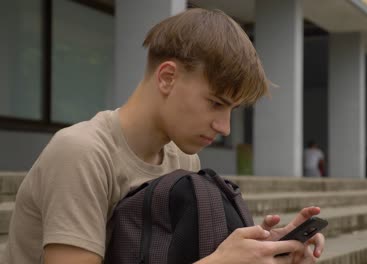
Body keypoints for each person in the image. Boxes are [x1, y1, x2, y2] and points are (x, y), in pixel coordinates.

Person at [5, 8, 325, 264]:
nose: (224, 127)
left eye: (232, 110)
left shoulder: (182, 159)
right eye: (216, 103)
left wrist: (270, 251)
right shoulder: (81, 153)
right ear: (167, 78)